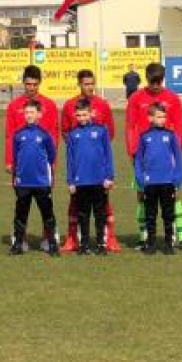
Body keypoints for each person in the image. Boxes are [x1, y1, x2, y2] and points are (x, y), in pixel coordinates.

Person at [126, 63, 182, 249]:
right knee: (142, 196)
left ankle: (181, 237)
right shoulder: (136, 98)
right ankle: (144, 237)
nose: (156, 85)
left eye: (159, 82)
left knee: (174, 196)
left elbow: (179, 126)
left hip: (166, 156)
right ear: (146, 79)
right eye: (152, 82)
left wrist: (176, 153)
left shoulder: (173, 98)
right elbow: (130, 126)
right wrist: (132, 152)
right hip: (144, 156)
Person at [60, 69, 121, 253]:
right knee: (78, 207)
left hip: (98, 171)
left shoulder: (103, 104)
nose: (90, 87)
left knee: (102, 207)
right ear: (79, 84)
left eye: (92, 83)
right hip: (80, 171)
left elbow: (108, 133)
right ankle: (74, 239)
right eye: (86, 84)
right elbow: (65, 131)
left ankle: (108, 239)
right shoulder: (70, 105)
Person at [5, 65, 61, 250]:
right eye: (28, 84)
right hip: (21, 166)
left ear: (40, 83)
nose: (31, 88)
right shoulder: (14, 106)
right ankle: (21, 240)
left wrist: (52, 162)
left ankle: (48, 238)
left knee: (46, 204)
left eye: (35, 84)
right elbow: (9, 136)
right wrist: (9, 160)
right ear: (23, 83)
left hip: (43, 167)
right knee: (22, 204)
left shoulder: (50, 105)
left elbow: (54, 135)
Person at [65, 98, 115, 255]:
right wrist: (71, 181)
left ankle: (101, 244)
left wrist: (110, 176)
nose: (81, 118)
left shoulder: (101, 130)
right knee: (83, 215)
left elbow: (108, 154)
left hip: (99, 180)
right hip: (81, 181)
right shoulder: (72, 134)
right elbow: (70, 159)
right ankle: (84, 244)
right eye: (78, 115)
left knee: (100, 214)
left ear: (90, 113)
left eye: (84, 114)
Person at [134, 102, 182, 255]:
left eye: (164, 116)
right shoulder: (144, 137)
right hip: (150, 183)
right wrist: (141, 179)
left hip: (167, 182)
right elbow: (138, 160)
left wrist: (177, 178)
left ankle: (169, 244)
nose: (162, 119)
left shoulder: (170, 135)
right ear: (150, 118)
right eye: (159, 116)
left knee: (168, 215)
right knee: (151, 215)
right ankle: (151, 244)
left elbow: (178, 157)